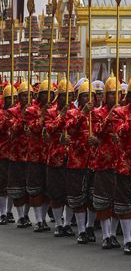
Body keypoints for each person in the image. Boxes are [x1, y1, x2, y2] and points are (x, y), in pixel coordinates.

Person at [112, 74, 131, 255]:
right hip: (124, 162)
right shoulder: (119, 112)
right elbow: (119, 131)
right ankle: (127, 239)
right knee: (124, 203)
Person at [91, 75, 120, 249]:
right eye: (111, 94)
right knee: (103, 200)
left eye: (117, 94)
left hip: (119, 160)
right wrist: (110, 115)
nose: (114, 97)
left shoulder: (124, 112)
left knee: (118, 200)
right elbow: (97, 132)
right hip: (103, 160)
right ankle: (106, 234)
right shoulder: (97, 113)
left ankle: (114, 234)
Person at [65, 79, 94, 243]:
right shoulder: (72, 112)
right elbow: (70, 128)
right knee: (78, 197)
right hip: (77, 159)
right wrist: (83, 113)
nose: (88, 100)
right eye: (84, 96)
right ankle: (81, 230)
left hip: (95, 160)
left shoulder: (98, 114)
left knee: (92, 197)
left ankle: (90, 226)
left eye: (91, 97)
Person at [24, 79, 54, 232]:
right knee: (35, 188)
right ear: (39, 94)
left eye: (51, 94)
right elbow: (33, 128)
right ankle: (38, 219)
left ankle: (44, 218)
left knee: (47, 188)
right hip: (35, 155)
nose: (48, 97)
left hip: (49, 155)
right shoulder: (30, 110)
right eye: (45, 94)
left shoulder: (55, 110)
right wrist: (42, 114)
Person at [44, 78, 71, 236]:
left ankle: (67, 223)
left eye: (70, 95)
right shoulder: (50, 112)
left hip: (72, 158)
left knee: (70, 194)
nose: (66, 99)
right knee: (56, 193)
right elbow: (50, 129)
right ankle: (59, 223)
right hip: (55, 158)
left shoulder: (75, 112)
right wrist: (61, 115)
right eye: (63, 95)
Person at [6, 81, 31, 226]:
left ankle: (26, 215)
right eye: (23, 95)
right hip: (16, 154)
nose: (26, 98)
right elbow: (13, 129)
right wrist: (23, 116)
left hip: (31, 154)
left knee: (30, 187)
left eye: (29, 95)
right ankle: (20, 215)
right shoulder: (12, 112)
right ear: (19, 97)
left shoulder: (35, 110)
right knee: (17, 187)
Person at [0, 83, 17, 224]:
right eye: (8, 98)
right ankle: (2, 212)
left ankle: (10, 211)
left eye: (14, 98)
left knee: (12, 185)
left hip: (16, 153)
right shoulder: (1, 113)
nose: (11, 101)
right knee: (3, 184)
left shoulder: (20, 112)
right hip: (3, 153)